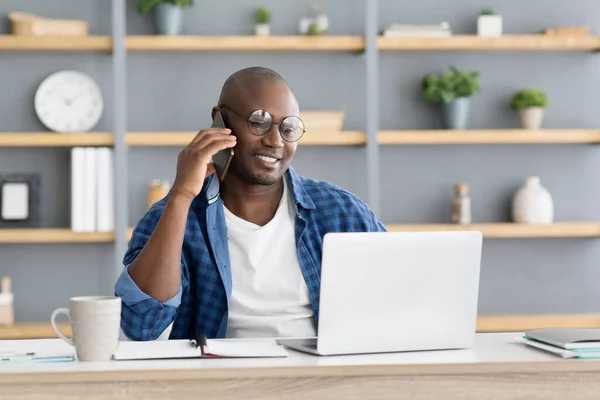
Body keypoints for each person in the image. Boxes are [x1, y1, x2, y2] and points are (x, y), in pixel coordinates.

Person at [115, 66, 386, 341]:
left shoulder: (343, 213)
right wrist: (181, 196)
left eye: (288, 128)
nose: (275, 141)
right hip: (221, 379)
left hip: (322, 378)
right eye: (259, 122)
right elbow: (142, 325)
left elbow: (398, 304)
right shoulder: (174, 217)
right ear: (219, 120)